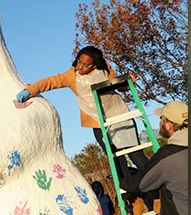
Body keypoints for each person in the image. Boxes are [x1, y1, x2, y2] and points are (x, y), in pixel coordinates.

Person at [15, 45, 149, 177]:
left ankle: (161, 184)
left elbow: (120, 86)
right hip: (98, 123)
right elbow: (49, 82)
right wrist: (29, 91)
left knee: (136, 155)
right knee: (115, 160)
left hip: (120, 117)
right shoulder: (72, 76)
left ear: (94, 65)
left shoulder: (105, 70)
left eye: (86, 65)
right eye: (79, 61)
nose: (80, 66)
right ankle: (127, 193)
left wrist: (129, 81)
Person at [120, 101, 188, 215]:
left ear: (169, 126)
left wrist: (121, 180)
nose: (159, 123)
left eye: (161, 119)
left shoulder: (166, 157)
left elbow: (138, 184)